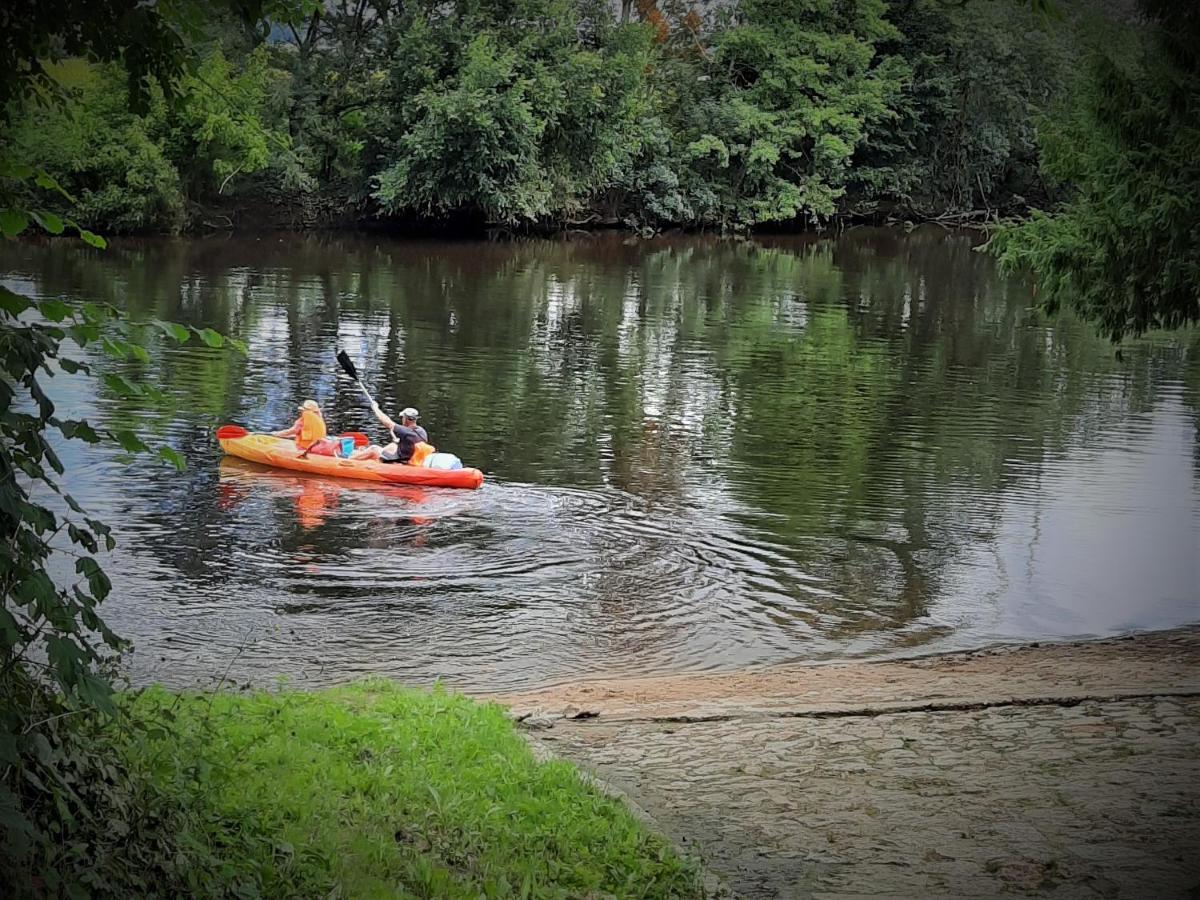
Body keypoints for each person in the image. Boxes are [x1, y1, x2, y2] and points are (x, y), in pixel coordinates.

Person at [352, 404, 432, 465]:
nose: (402, 420)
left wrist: (375, 408)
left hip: (402, 460)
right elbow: (411, 442)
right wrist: (399, 442)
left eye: (403, 418)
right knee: (393, 445)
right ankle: (374, 456)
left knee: (374, 448)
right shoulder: (421, 430)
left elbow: (388, 423)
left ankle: (348, 461)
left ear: (406, 419)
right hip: (409, 457)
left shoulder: (407, 432)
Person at [272, 399, 337, 456]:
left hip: (305, 448)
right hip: (318, 446)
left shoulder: (302, 421)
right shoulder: (319, 418)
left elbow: (291, 431)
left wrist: (277, 434)